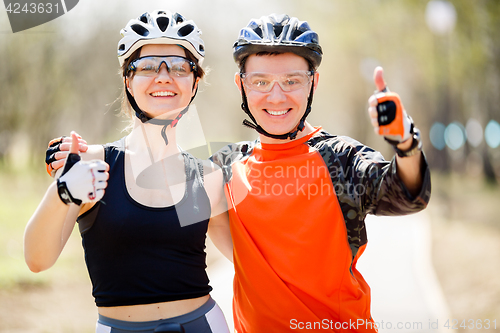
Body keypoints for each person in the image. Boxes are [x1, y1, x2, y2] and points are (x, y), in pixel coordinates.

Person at [207, 14, 431, 332]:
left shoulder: (341, 159)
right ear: (240, 84)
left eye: (291, 81)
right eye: (260, 82)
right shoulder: (225, 164)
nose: (275, 96)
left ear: (313, 82)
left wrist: (406, 144)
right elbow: (165, 218)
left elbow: (407, 195)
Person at [25, 10, 231, 333]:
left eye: (179, 67)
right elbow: (37, 260)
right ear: (128, 80)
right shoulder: (93, 165)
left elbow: (257, 267)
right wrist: (63, 189)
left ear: (194, 82)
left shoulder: (209, 177)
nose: (164, 77)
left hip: (203, 324)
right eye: (147, 66)